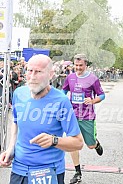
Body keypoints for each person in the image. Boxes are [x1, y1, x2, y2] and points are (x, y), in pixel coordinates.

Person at [0, 54, 83, 184]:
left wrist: (54, 140)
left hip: (48, 172)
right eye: (29, 71)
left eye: (38, 72)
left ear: (51, 74)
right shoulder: (19, 94)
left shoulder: (61, 101)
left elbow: (78, 143)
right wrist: (11, 149)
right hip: (19, 170)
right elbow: (16, 123)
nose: (32, 77)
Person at [62, 54, 105, 184]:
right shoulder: (70, 77)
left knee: (90, 145)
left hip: (87, 116)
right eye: (76, 65)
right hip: (72, 115)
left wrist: (92, 100)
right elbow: (63, 92)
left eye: (81, 65)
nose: (78, 68)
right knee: (73, 143)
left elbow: (102, 95)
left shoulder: (92, 78)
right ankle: (77, 172)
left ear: (86, 65)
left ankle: (96, 143)